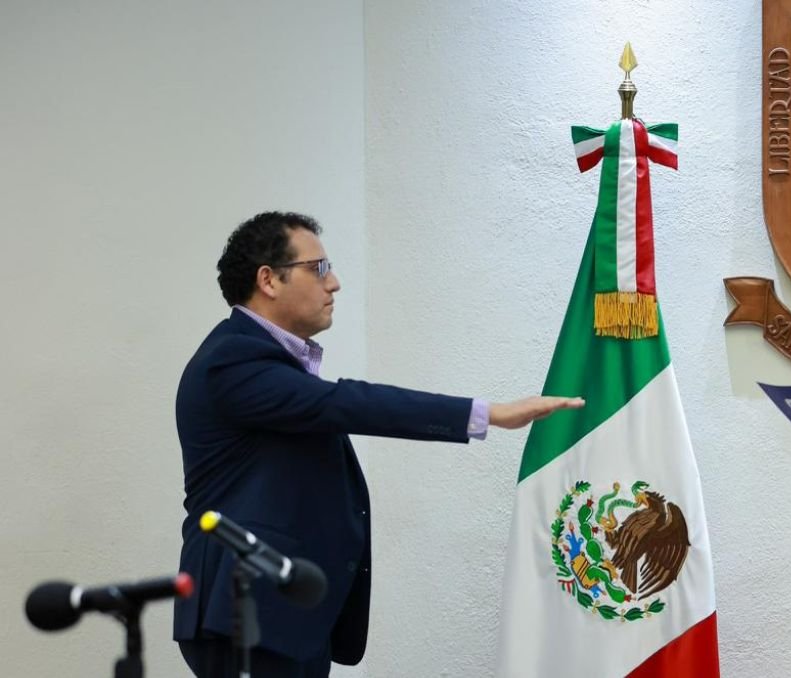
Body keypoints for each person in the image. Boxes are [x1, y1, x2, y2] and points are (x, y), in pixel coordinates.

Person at [173, 211, 582, 677]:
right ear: (269, 279)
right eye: (319, 268)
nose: (335, 284)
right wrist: (488, 413)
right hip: (246, 612)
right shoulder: (233, 360)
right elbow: (347, 403)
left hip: (285, 616)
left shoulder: (261, 359)